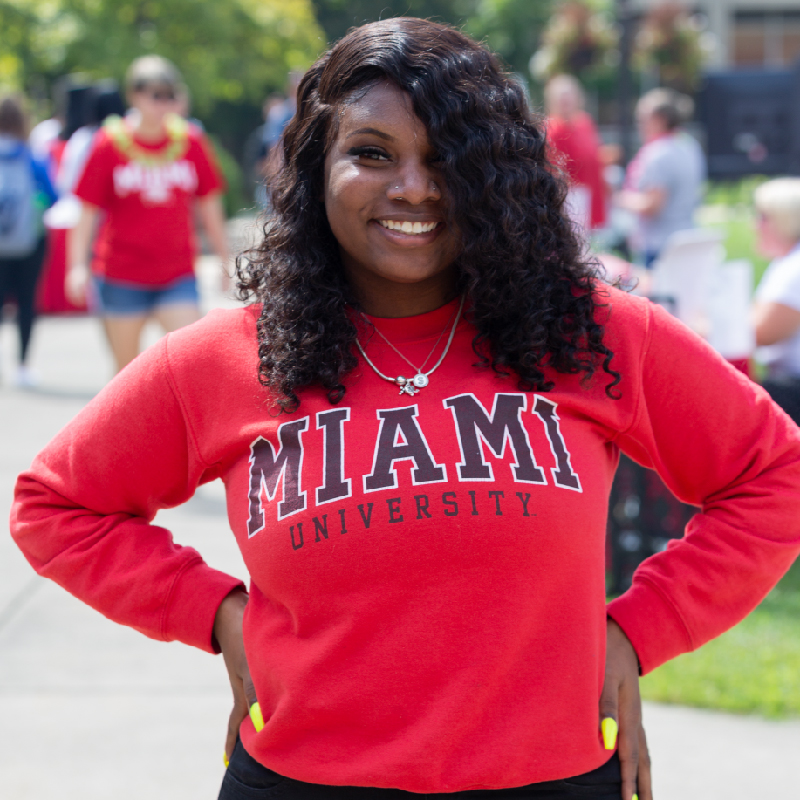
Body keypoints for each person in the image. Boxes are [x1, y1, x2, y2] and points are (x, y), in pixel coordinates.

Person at [10, 18, 800, 800]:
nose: (414, 187)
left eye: (448, 157)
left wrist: (641, 626)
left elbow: (776, 474)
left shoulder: (592, 332)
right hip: (304, 782)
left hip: (546, 782)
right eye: (371, 153)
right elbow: (55, 505)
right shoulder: (223, 359)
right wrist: (214, 612)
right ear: (318, 167)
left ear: (495, 172)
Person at [65, 56, 228, 374]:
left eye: (170, 95)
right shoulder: (109, 144)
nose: (164, 104)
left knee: (190, 364)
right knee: (127, 374)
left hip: (177, 274)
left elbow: (210, 204)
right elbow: (86, 212)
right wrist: (76, 266)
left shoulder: (190, 141)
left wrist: (224, 259)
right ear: (134, 96)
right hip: (121, 276)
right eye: (156, 95)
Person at [0, 95, 57, 387]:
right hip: (30, 241)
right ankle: (22, 365)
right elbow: (53, 195)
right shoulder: (32, 157)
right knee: (25, 301)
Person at [617, 88, 705, 268]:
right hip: (685, 238)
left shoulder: (658, 153)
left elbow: (652, 205)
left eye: (642, 119)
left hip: (659, 247)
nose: (639, 126)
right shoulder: (689, 145)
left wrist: (618, 199)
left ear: (660, 120)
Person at [752, 178, 800, 423]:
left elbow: (760, 333)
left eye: (763, 217)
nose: (755, 225)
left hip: (792, 389)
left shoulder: (794, 268)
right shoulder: (787, 262)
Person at [545, 74, 607, 232]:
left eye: (569, 95)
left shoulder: (585, 122)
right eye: (561, 97)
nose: (566, 101)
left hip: (591, 191)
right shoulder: (550, 128)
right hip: (569, 197)